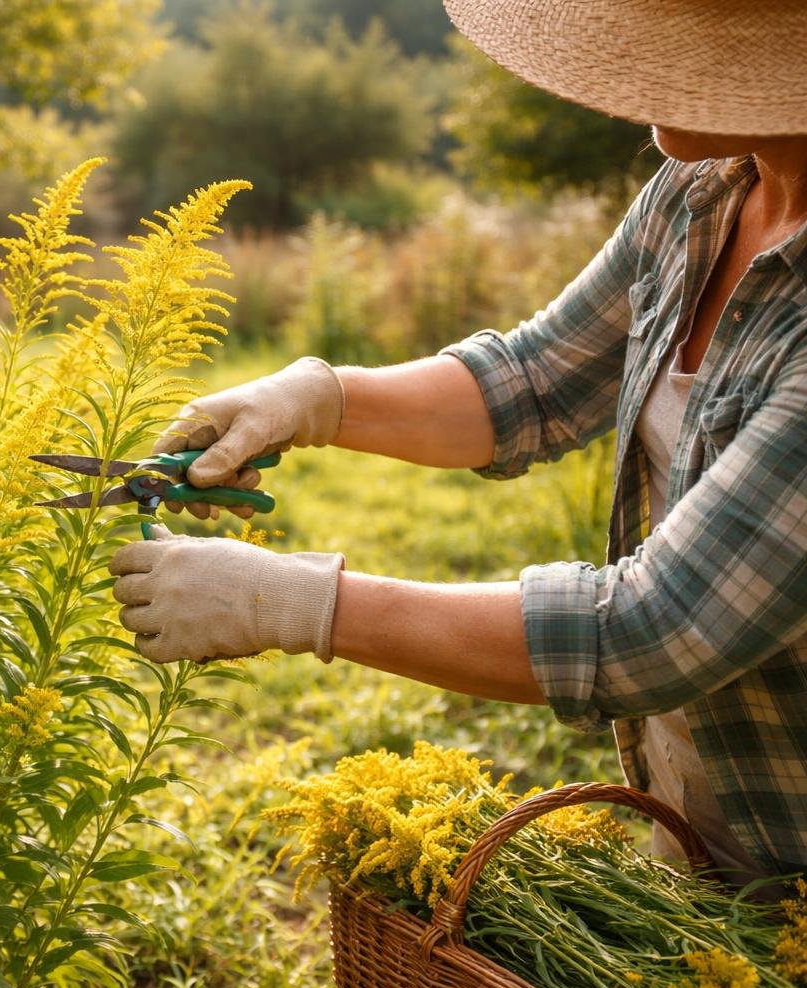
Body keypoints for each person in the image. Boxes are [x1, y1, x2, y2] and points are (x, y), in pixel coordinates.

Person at [108, 0, 807, 886]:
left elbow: (652, 630)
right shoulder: (701, 196)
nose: (642, 67)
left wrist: (288, 602)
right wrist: (317, 397)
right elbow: (534, 380)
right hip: (707, 810)